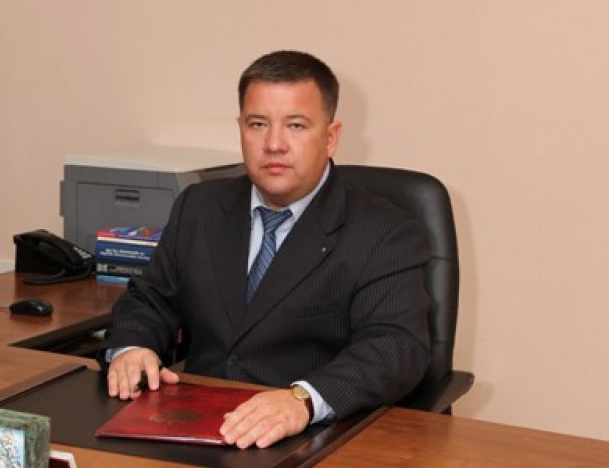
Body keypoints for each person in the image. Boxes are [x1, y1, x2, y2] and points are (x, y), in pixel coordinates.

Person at [99, 50, 431, 449]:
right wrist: (133, 347)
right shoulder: (199, 207)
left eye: (295, 125)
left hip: (311, 439)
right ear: (240, 128)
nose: (274, 144)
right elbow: (150, 298)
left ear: (331, 137)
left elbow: (394, 347)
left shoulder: (384, 232)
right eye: (258, 124)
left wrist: (304, 399)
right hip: (194, 427)